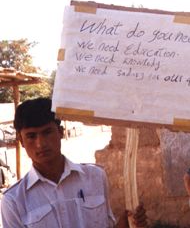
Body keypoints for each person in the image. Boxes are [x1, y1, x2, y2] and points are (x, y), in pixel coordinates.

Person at [0, 97, 147, 228]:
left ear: (61, 132)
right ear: (21, 141)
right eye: (31, 136)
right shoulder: (13, 201)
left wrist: (128, 223)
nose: (40, 144)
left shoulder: (95, 177)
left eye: (47, 132)